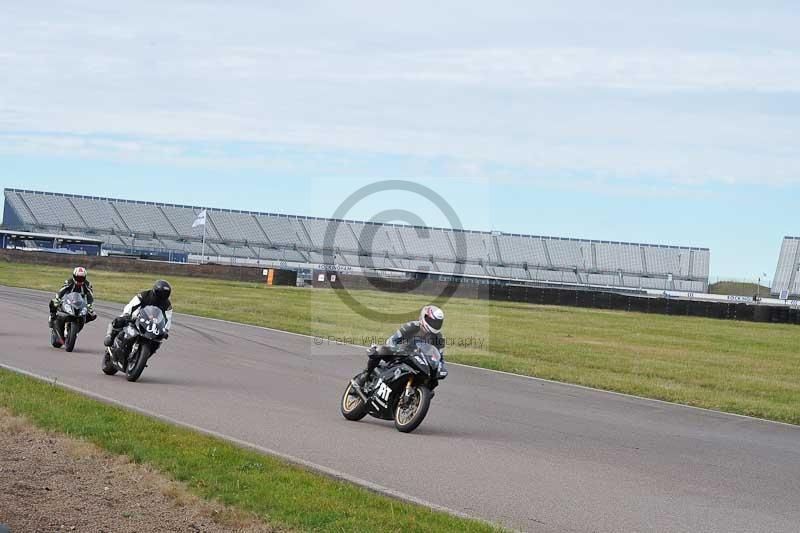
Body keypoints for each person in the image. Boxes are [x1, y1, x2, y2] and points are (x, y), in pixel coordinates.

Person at [358, 305, 447, 386]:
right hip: (402, 354)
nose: (435, 325)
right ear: (425, 317)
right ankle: (366, 374)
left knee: (434, 382)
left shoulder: (439, 338)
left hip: (420, 363)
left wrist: (441, 369)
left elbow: (440, 359)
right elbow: (392, 340)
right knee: (381, 350)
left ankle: (414, 398)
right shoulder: (412, 326)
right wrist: (395, 349)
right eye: (432, 322)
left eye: (437, 323)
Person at [103, 280, 173, 348]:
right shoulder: (144, 295)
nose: (162, 296)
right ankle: (110, 336)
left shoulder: (167, 304)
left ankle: (149, 350)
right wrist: (127, 314)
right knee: (119, 320)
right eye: (160, 293)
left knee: (158, 339)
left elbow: (168, 318)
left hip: (152, 323)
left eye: (165, 294)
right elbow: (131, 305)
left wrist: (166, 330)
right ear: (155, 291)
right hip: (136, 316)